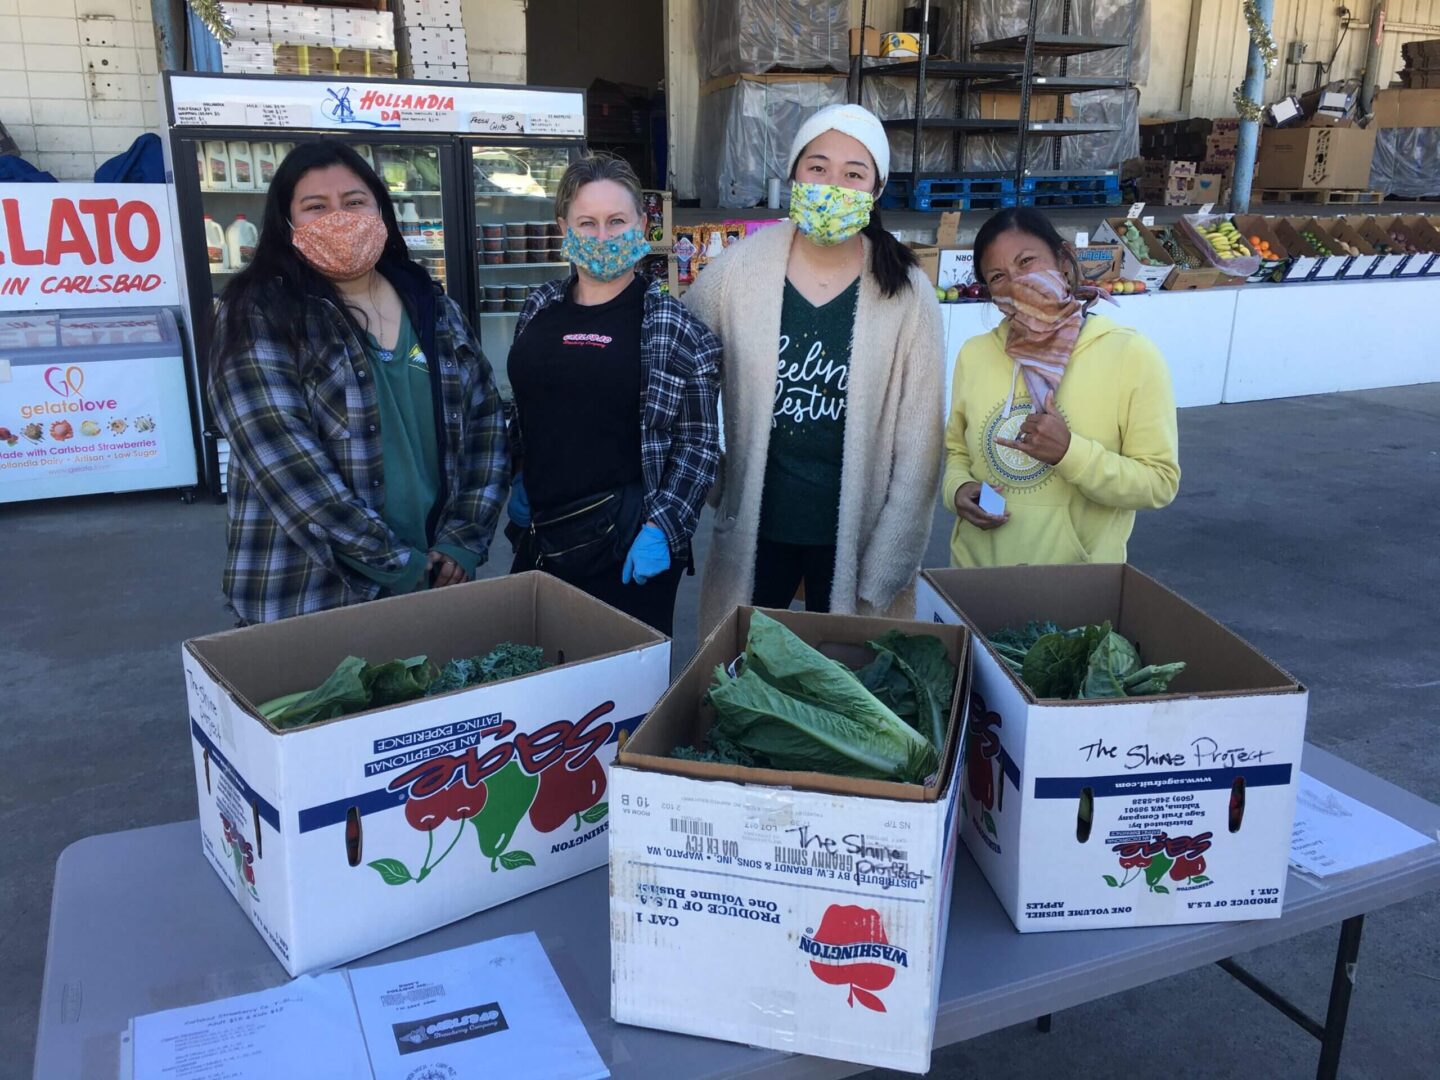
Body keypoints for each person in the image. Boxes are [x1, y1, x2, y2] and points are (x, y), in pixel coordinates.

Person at [210, 141, 508, 624]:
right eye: (315, 207)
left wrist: (464, 538)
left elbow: (486, 427)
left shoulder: (430, 305)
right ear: (286, 226)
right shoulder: (259, 312)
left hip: (435, 578)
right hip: (306, 594)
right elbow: (281, 458)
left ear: (381, 211)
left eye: (354, 202)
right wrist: (395, 562)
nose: (339, 217)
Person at [683, 103, 944, 634]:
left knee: (846, 680)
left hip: (857, 531)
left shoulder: (907, 291)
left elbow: (920, 442)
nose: (833, 184)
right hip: (760, 523)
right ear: (794, 175)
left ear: (874, 190)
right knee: (749, 673)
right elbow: (677, 366)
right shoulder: (738, 271)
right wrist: (713, 477)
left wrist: (892, 557)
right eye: (817, 168)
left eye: (853, 174)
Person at [504, 154, 721, 636]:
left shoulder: (676, 328)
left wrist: (664, 527)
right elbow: (527, 404)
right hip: (541, 537)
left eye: (617, 221)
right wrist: (518, 470)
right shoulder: (538, 306)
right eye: (587, 222)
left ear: (642, 224)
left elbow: (699, 445)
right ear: (564, 226)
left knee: (621, 701)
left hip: (627, 547)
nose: (603, 237)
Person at [943, 207, 1180, 568]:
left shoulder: (1130, 355)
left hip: (1074, 585)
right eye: (998, 276)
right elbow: (958, 450)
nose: (1017, 283)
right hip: (976, 575)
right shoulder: (974, 355)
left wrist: (1070, 453)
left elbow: (1158, 482)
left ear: (1064, 261)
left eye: (1027, 262)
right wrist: (957, 489)